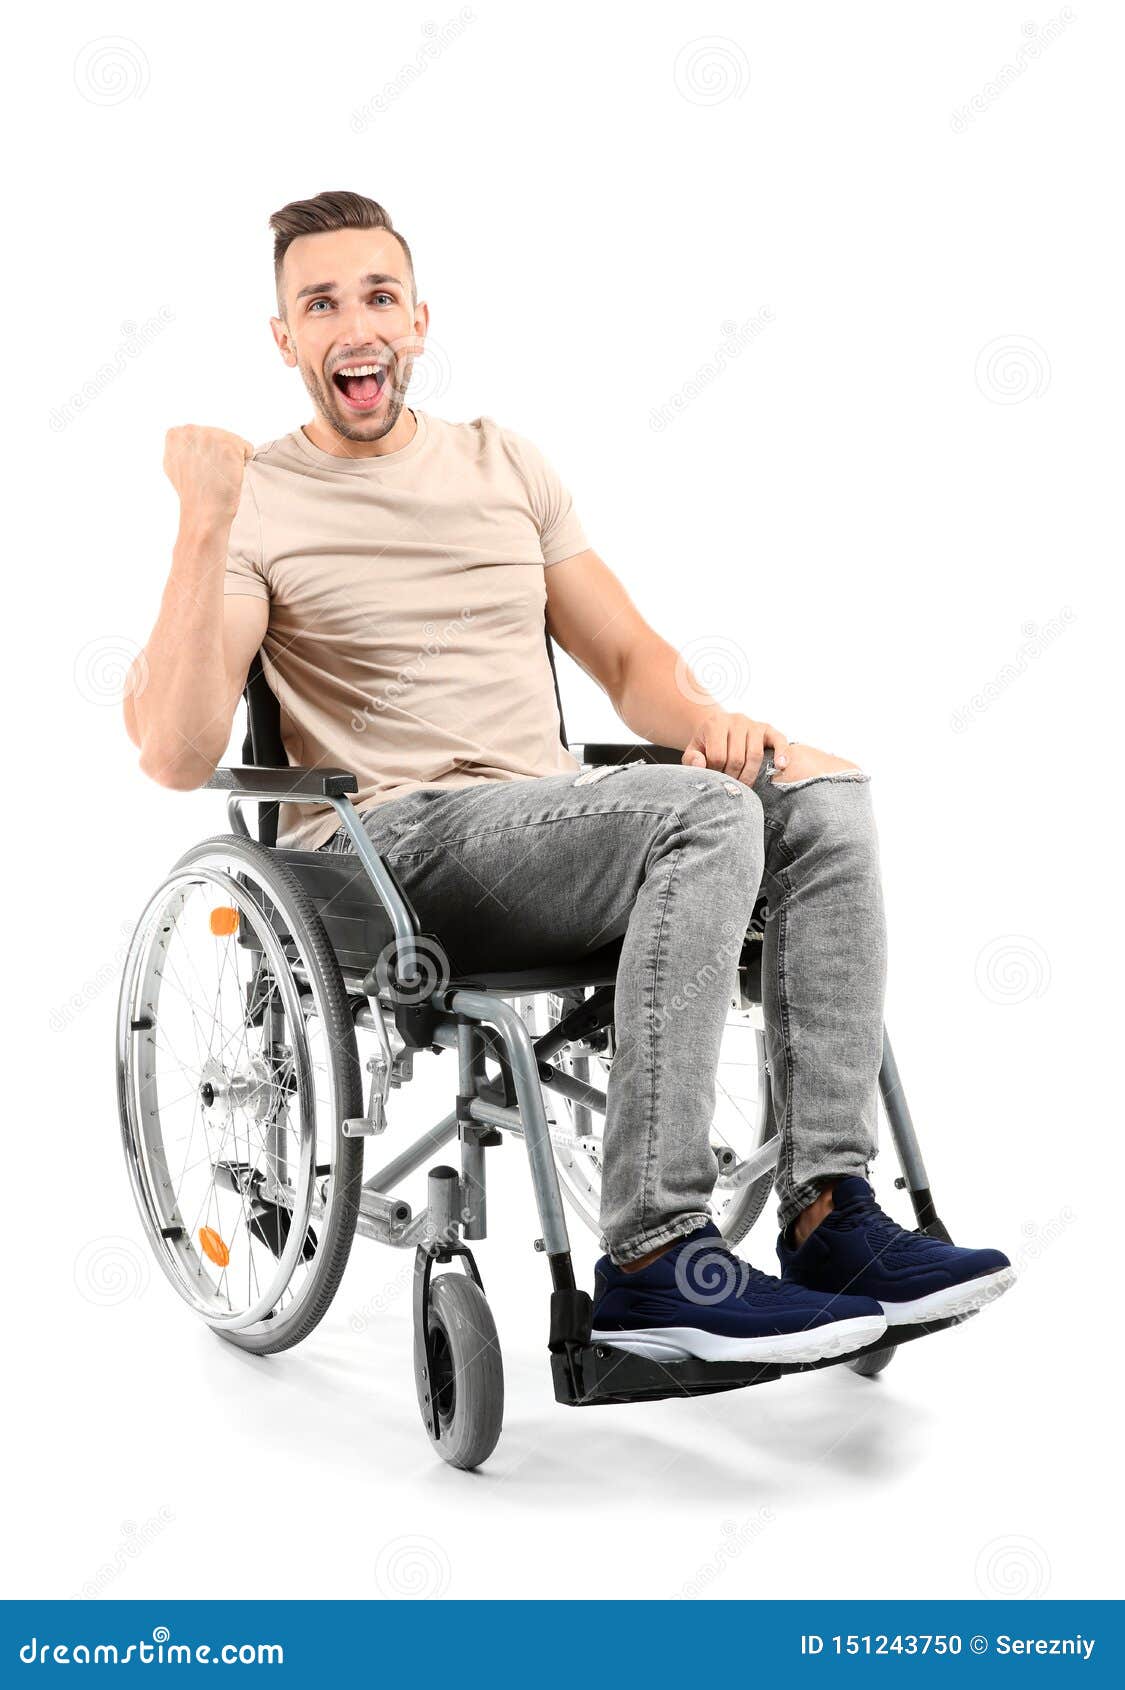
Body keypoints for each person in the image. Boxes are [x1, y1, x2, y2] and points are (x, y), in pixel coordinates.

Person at [123, 190, 1013, 1366]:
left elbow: (629, 657)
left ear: (420, 319)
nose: (356, 324)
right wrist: (200, 518)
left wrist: (706, 720)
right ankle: (653, 1253)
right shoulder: (257, 499)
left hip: (551, 822)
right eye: (320, 303)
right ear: (284, 338)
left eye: (378, 295)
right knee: (699, 817)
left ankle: (827, 1212)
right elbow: (175, 751)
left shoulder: (507, 465)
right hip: (392, 847)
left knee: (825, 795)